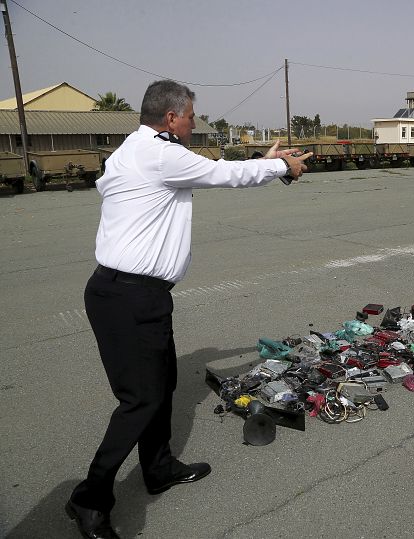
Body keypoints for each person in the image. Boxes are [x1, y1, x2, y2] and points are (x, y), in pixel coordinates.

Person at [66, 79, 311, 539]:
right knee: (140, 401)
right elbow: (222, 175)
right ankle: (90, 498)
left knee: (162, 385)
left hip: (130, 294)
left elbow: (209, 170)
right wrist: (279, 166)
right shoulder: (160, 152)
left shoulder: (137, 149)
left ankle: (158, 469)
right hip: (129, 296)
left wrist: (261, 163)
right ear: (173, 117)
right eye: (192, 116)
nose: (195, 123)